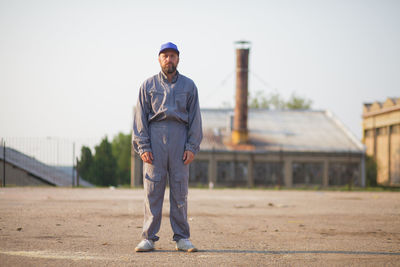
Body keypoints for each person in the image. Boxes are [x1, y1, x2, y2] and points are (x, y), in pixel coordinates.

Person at [132, 42, 203, 252]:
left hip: (180, 139)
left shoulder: (189, 86)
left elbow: (196, 119)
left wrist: (192, 145)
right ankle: (148, 237)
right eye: (165, 56)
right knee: (152, 190)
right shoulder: (148, 85)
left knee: (180, 190)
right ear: (159, 59)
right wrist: (143, 146)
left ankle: (182, 237)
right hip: (155, 138)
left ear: (178, 59)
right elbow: (140, 119)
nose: (169, 59)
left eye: (172, 56)